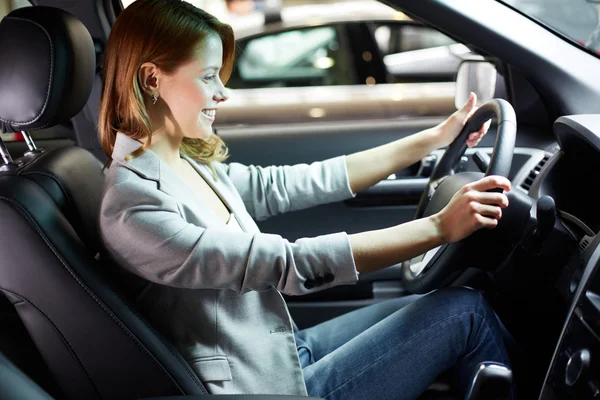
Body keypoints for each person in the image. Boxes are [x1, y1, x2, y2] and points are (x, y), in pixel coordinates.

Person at [97, 0, 515, 399]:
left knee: (439, 303)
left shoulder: (183, 161)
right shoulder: (134, 206)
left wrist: (431, 140)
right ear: (153, 79)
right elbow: (288, 264)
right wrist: (439, 227)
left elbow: (293, 183)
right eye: (208, 77)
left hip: (282, 352)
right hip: (262, 389)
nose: (223, 93)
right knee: (465, 313)